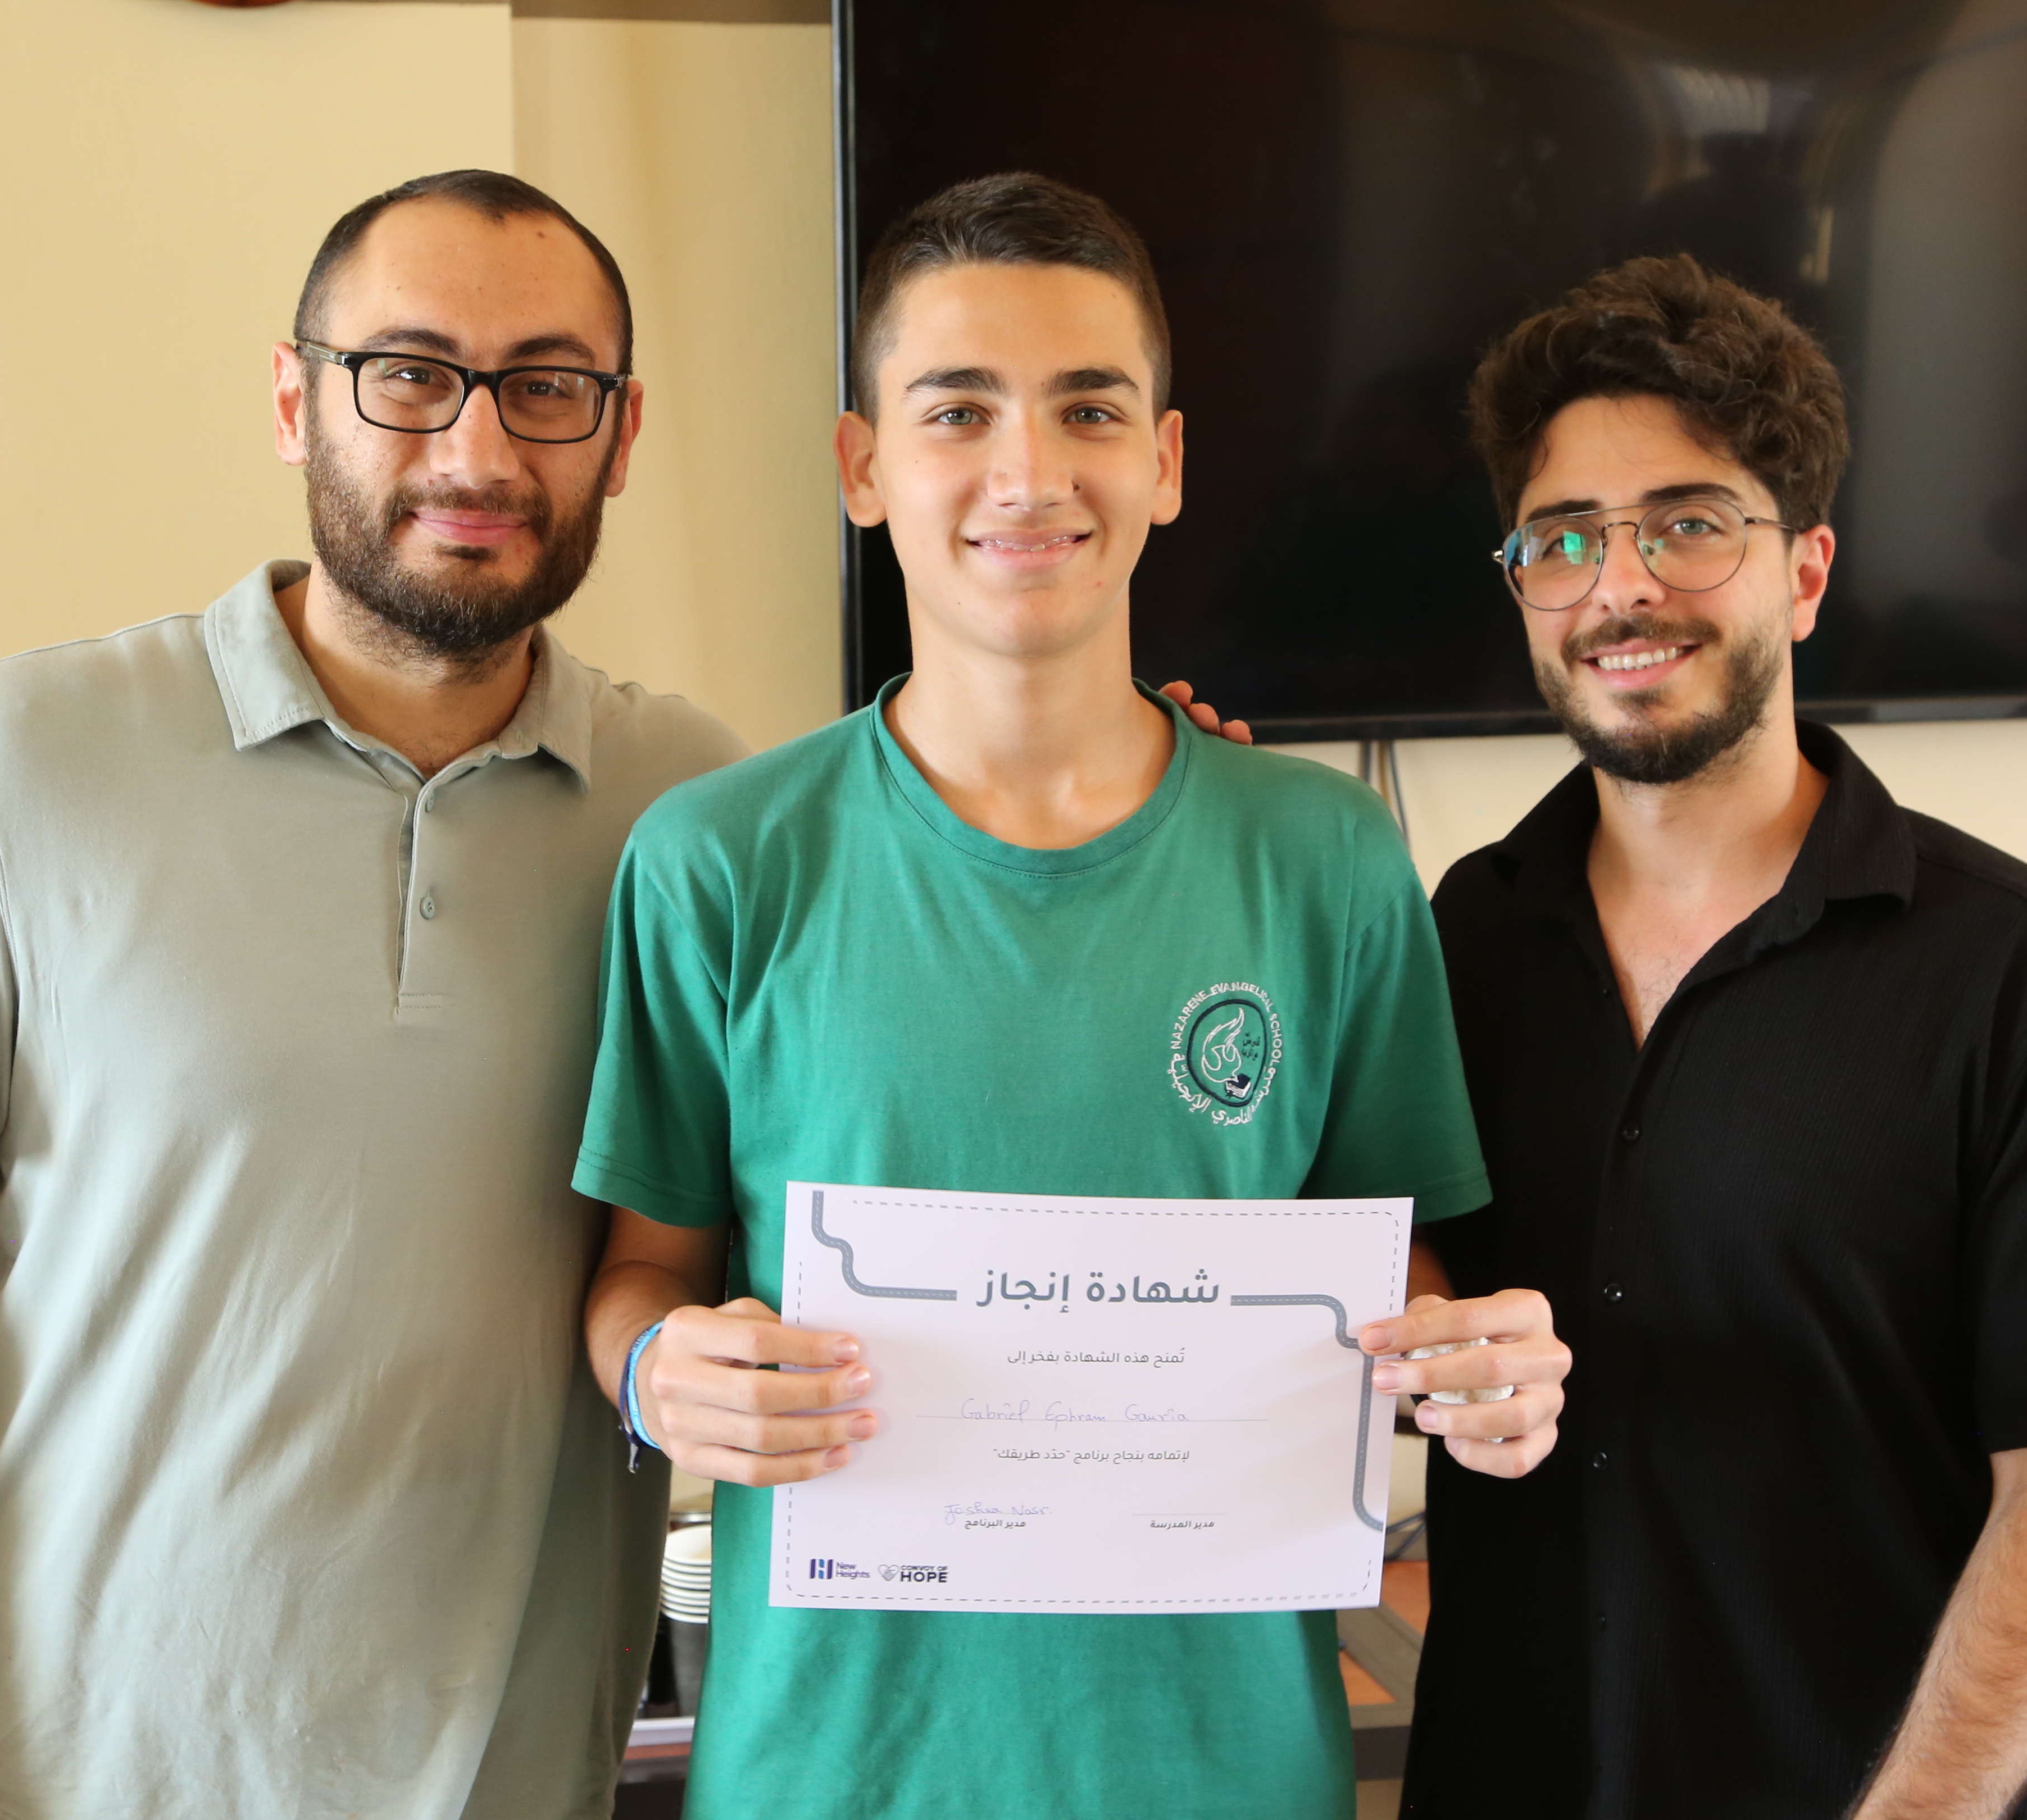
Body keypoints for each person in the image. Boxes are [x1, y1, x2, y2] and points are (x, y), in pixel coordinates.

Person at [567, 173, 1572, 1820]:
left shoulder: (1327, 858)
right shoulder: (721, 860)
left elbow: (1394, 1264)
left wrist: (1473, 1364)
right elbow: (640, 1272)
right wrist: (657, 1371)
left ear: (1164, 463)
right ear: (863, 467)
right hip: (832, 1771)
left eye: (1088, 409)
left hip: (1226, 1770)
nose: (1028, 473)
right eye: (957, 411)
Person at [0, 171, 744, 1820]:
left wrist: (1156, 789)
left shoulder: (701, 810)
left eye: (547, 386)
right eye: (409, 374)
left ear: (622, 433)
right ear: (296, 402)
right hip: (68, 1776)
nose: (479, 450)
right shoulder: (18, 763)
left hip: (517, 1778)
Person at [1398, 254, 2027, 1819]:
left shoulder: (2019, 973)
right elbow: (1366, 1266)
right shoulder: (1457, 941)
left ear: (1806, 573)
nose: (1622, 588)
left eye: (1689, 524)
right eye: (1565, 538)